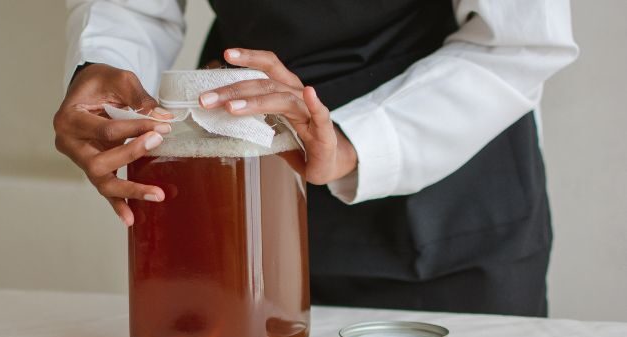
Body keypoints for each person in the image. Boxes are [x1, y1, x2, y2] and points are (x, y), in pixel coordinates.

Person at [53, 0, 578, 317]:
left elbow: (518, 41)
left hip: (451, 199)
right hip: (246, 164)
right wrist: (105, 66)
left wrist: (351, 141)